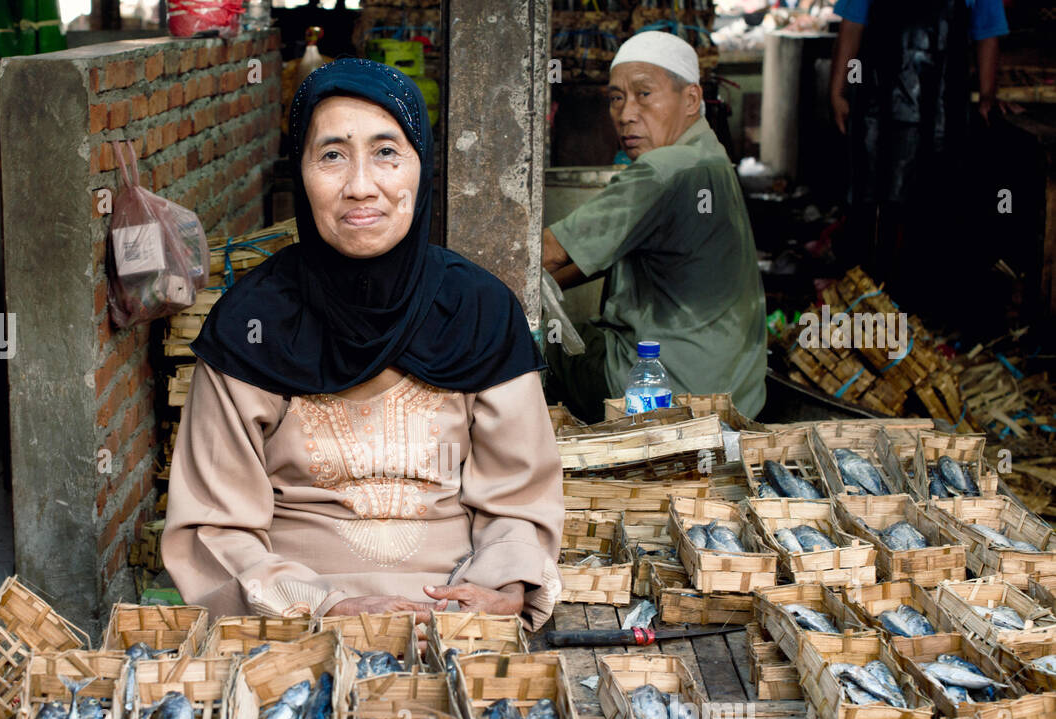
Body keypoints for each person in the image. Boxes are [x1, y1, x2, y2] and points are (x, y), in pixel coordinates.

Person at [163, 59, 564, 632]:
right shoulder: (254, 323)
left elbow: (519, 500)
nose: (359, 185)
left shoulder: (478, 311)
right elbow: (213, 526)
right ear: (299, 172)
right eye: (331, 154)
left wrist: (503, 588)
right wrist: (319, 605)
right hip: (294, 623)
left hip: (454, 621)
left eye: (386, 152)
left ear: (421, 168)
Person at [541, 31, 767, 425]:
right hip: (740, 389)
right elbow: (584, 258)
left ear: (691, 99)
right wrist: (545, 283)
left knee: (536, 346)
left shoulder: (664, 170)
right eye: (616, 98)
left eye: (644, 94)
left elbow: (548, 251)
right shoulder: (710, 157)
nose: (626, 113)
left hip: (667, 386)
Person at [829, 0, 1009, 304]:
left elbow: (987, 31)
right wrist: (838, 90)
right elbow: (852, 24)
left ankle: (922, 307)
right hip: (877, 101)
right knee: (871, 203)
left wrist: (988, 94)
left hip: (942, 106)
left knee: (933, 203)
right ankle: (866, 301)